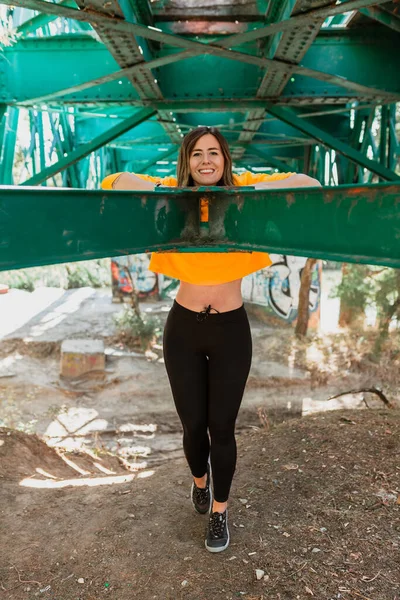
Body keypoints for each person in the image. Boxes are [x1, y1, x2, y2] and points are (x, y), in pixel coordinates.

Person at [102, 126, 321, 553]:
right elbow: (113, 181)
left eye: (214, 153)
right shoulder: (174, 196)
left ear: (225, 160)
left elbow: (310, 184)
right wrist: (170, 187)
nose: (206, 160)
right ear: (188, 161)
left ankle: (220, 510)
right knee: (193, 425)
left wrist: (249, 192)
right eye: (197, 154)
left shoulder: (244, 196)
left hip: (231, 330)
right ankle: (199, 482)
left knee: (222, 428)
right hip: (182, 328)